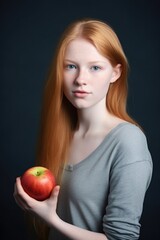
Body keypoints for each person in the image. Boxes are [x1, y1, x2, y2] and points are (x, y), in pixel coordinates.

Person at [14, 18, 153, 240]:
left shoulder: (128, 141)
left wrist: (50, 219)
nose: (80, 79)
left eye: (95, 67)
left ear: (115, 74)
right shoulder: (62, 132)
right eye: (71, 66)